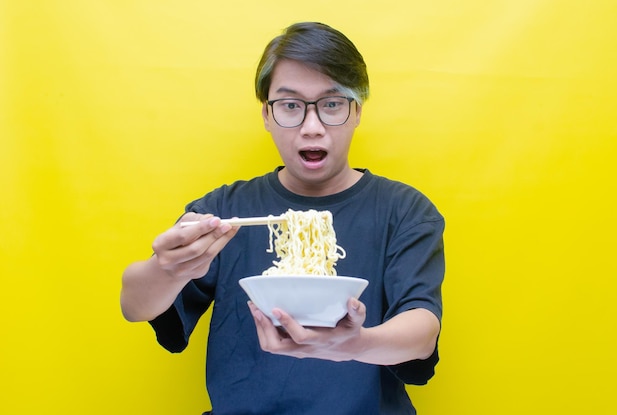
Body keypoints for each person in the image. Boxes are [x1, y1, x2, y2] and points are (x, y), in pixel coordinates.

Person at [120, 21, 445, 415]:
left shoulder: (404, 210)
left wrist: (352, 345)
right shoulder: (224, 211)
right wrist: (167, 269)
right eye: (291, 106)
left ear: (356, 112)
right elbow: (135, 305)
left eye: (332, 104)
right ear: (267, 115)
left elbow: (422, 329)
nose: (312, 128)